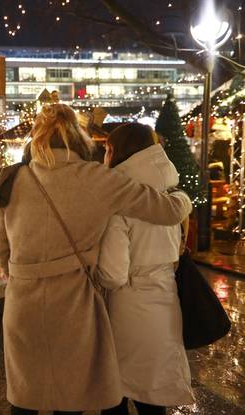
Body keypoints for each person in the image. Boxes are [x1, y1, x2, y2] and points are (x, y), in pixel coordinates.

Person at [0, 104, 192, 415]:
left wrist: (17, 274)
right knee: (71, 396)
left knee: (25, 396)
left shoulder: (14, 179)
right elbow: (168, 212)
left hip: (22, 301)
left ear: (38, 139)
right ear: (79, 138)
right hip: (74, 301)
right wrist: (182, 196)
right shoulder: (98, 178)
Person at [97, 123, 194, 415]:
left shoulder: (121, 204)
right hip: (166, 302)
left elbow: (113, 273)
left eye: (106, 149)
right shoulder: (171, 197)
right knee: (154, 396)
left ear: (117, 152)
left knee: (117, 391)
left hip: (130, 309)